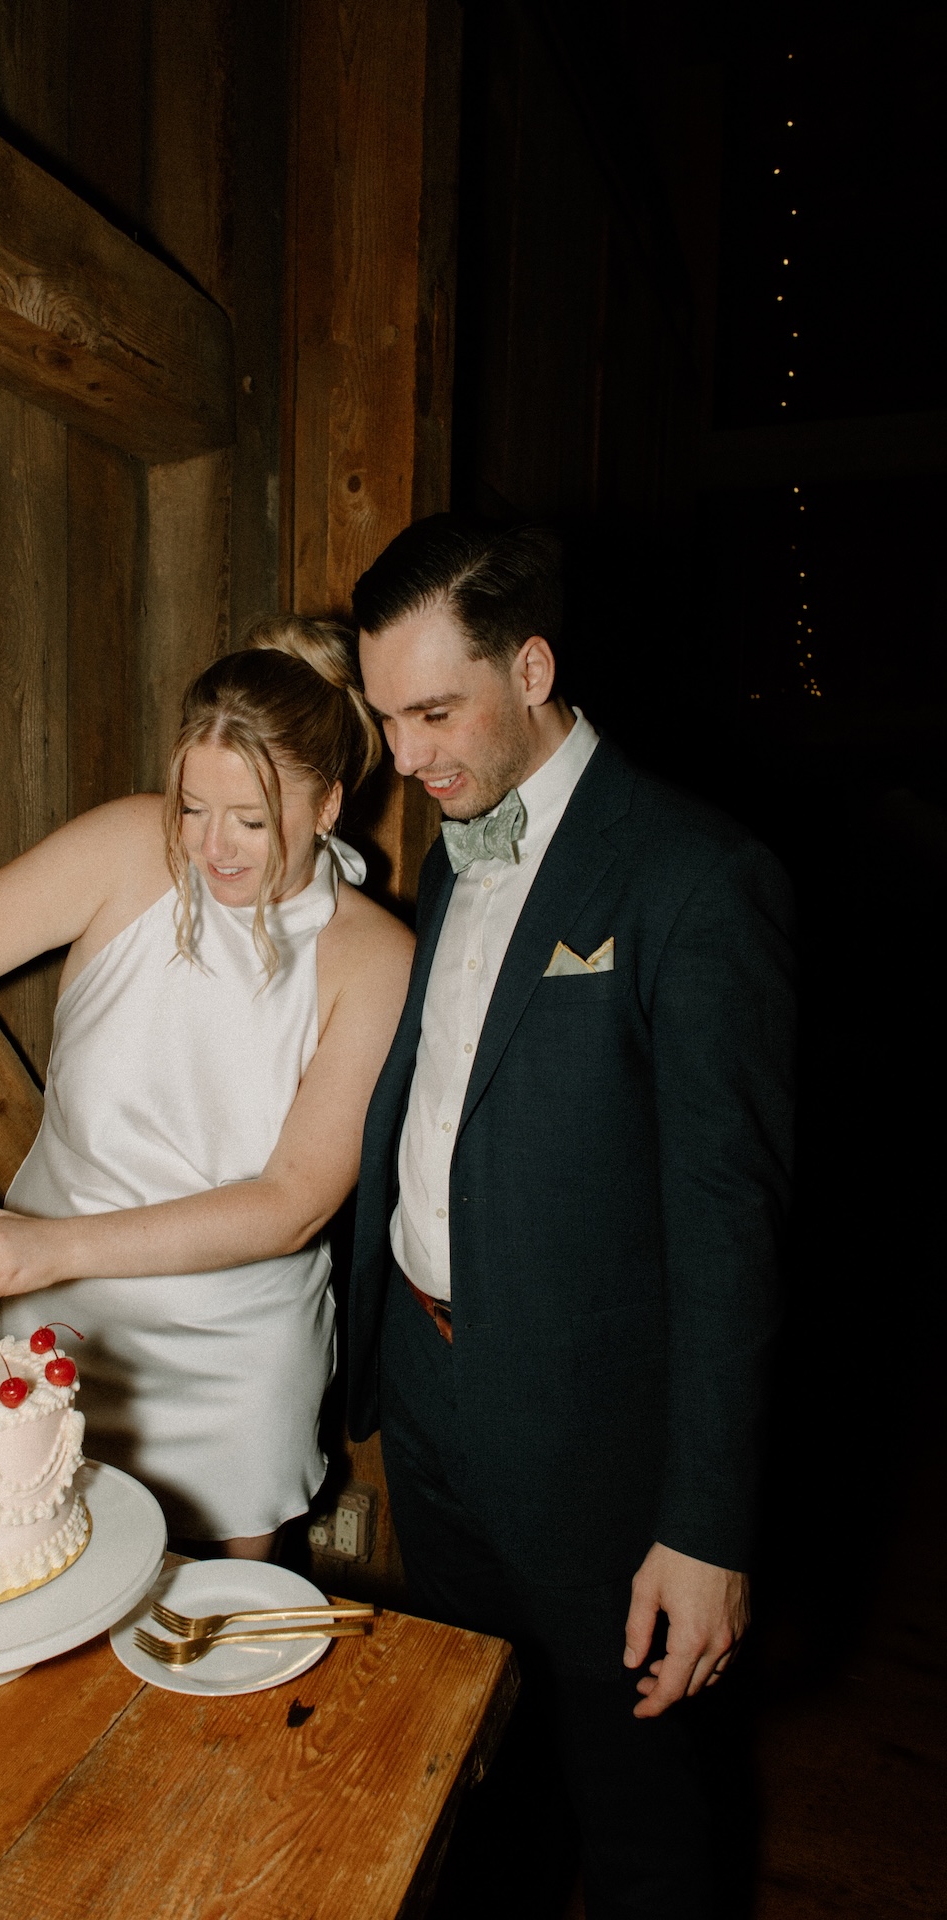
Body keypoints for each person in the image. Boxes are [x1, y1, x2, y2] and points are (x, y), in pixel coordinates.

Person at [347, 517, 794, 1916]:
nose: (407, 758)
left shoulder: (695, 879)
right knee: (489, 1770)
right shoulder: (446, 849)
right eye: (386, 718)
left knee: (643, 1815)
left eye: (434, 711)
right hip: (426, 1393)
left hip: (596, 1445)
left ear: (531, 666)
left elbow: (735, 1232)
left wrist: (707, 1530)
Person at [0, 621, 414, 1559]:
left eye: (252, 820)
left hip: (235, 1354)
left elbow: (288, 1207)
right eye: (191, 808)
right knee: (39, 1570)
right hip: (61, 1321)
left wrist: (47, 1248)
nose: (214, 848)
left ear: (328, 804)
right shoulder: (126, 847)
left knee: (206, 1647)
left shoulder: (377, 957)